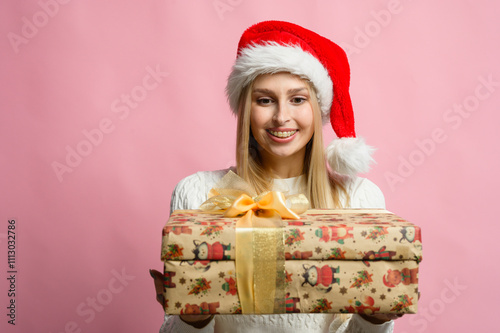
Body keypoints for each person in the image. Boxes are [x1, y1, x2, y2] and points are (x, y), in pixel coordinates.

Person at [151, 20, 401, 332]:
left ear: (317, 108)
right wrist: (191, 319)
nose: (281, 117)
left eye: (298, 99)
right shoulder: (198, 193)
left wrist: (374, 319)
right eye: (265, 100)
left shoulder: (361, 198)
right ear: (246, 108)